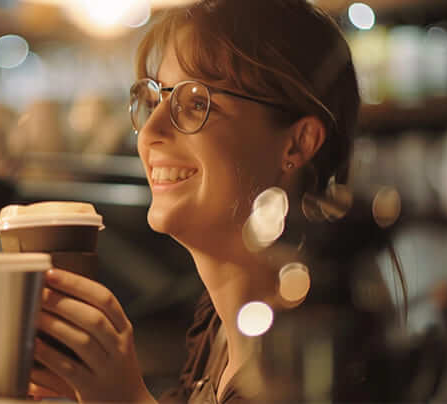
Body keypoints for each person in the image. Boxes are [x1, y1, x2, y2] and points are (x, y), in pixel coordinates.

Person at [28, 0, 404, 402]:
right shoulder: (219, 331)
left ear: (298, 143)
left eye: (195, 103)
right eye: (154, 100)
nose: (149, 131)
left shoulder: (319, 353)